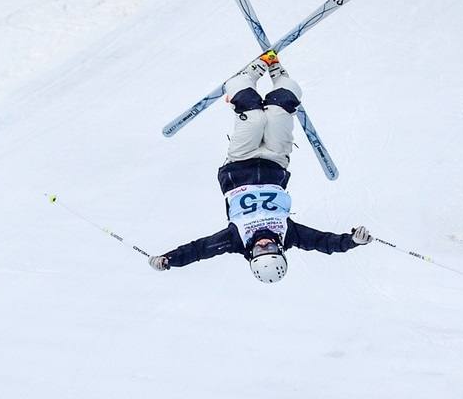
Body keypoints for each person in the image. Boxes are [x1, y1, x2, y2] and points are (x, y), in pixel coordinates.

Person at [149, 51, 370, 281]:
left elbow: (199, 250)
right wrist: (353, 241)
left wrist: (169, 260)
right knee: (279, 112)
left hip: (239, 162)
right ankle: (278, 73)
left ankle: (245, 78)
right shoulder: (290, 234)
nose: (263, 244)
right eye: (270, 250)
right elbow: (323, 242)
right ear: (280, 250)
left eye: (258, 251)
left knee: (253, 117)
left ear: (251, 254)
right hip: (275, 160)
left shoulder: (235, 239)